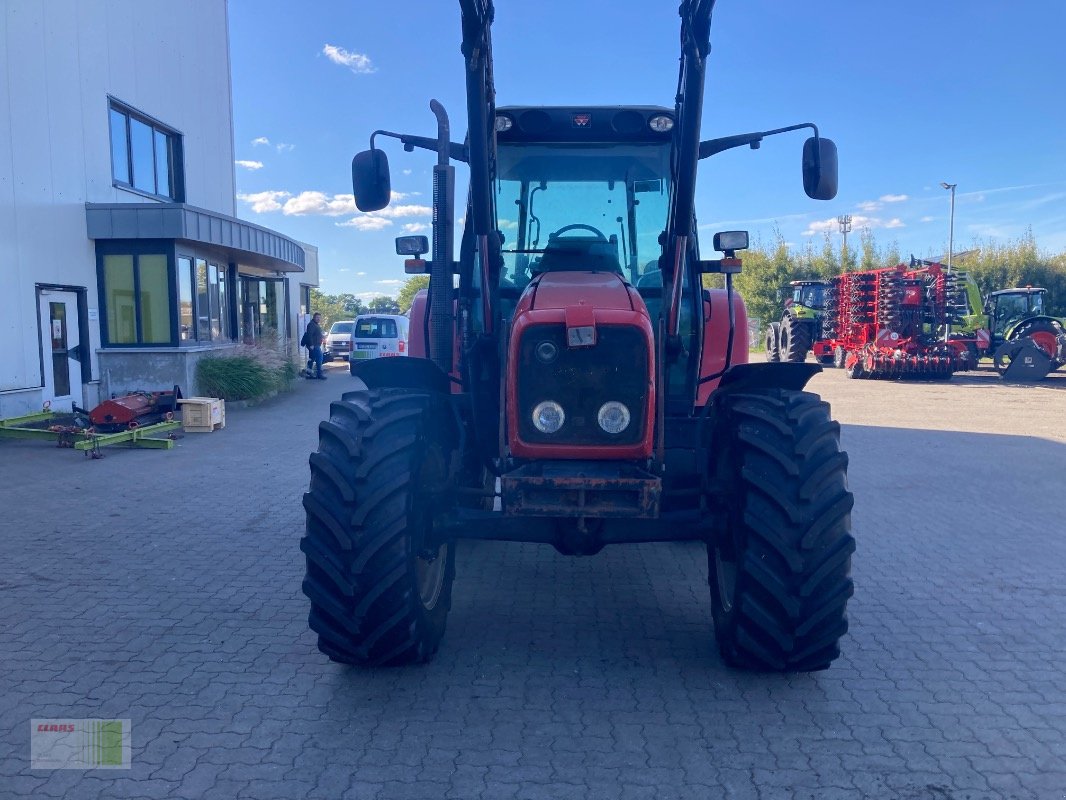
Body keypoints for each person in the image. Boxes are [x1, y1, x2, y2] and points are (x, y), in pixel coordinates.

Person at [302, 313, 326, 380]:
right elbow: (309, 335)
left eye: (319, 317)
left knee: (311, 359)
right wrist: (311, 344)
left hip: (315, 345)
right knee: (319, 357)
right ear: (314, 317)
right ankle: (319, 374)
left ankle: (309, 374)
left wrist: (322, 336)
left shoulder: (315, 324)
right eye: (317, 317)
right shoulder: (311, 325)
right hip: (314, 345)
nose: (318, 319)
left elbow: (315, 334)